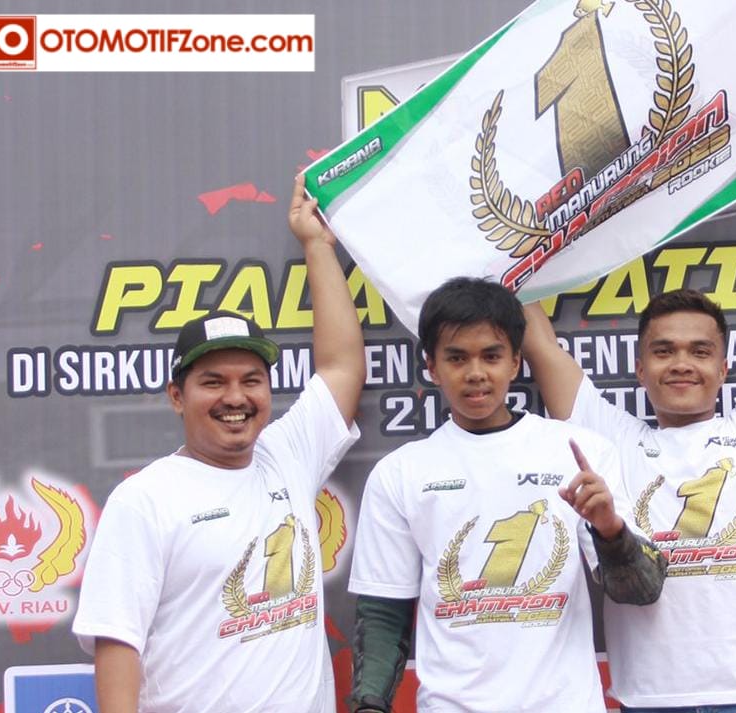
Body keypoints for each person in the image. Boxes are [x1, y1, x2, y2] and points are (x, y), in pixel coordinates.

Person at [521, 105, 736, 713]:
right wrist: (512, 237)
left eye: (700, 351)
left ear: (723, 368)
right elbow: (539, 343)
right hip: (652, 699)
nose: (682, 363)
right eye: (664, 351)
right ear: (639, 369)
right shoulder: (609, 437)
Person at [72, 175, 365, 713]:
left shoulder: (287, 456)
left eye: (251, 380)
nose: (236, 397)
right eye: (213, 382)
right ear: (177, 397)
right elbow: (117, 644)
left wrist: (317, 245)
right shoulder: (145, 498)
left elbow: (342, 367)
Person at [348, 277, 665, 713]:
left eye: (491, 356)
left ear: (515, 362)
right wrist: (368, 705)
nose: (476, 373)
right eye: (457, 358)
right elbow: (384, 612)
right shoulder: (399, 472)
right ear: (432, 367)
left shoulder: (579, 452)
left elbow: (643, 591)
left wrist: (611, 530)